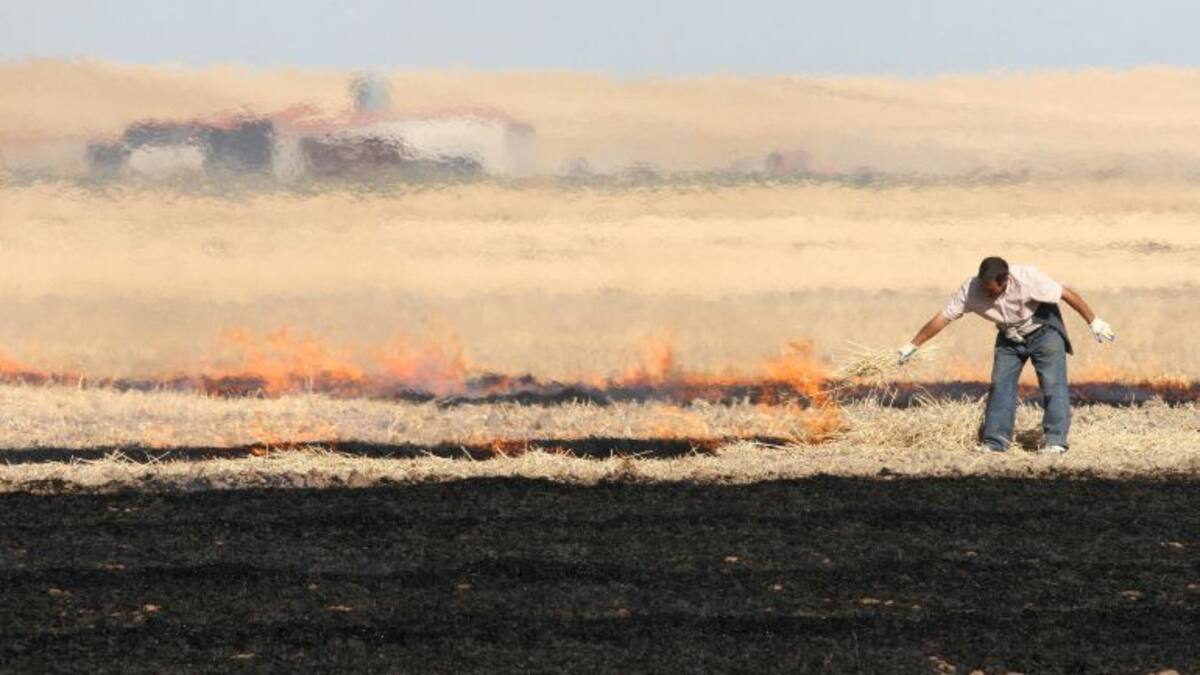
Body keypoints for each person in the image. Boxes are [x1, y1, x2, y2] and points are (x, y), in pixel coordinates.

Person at [896, 256, 1115, 453]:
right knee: (1000, 384)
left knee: (1053, 383)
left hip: (1043, 330)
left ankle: (1056, 441)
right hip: (1008, 336)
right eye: (984, 289)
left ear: (1006, 280)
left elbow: (1066, 293)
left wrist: (1093, 321)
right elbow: (943, 317)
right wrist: (913, 345)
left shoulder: (1027, 279)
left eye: (992, 291)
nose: (987, 295)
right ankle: (995, 441)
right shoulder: (971, 289)